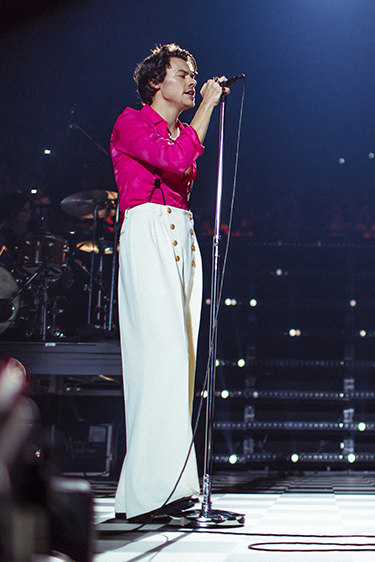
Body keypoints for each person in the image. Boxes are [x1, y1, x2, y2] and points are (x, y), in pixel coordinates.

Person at [109, 43, 228, 522]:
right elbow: (173, 161)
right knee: (156, 357)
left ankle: (173, 487)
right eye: (182, 73)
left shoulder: (182, 130)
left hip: (182, 231)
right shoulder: (131, 121)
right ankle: (143, 495)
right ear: (156, 81)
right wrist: (205, 110)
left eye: (193, 74)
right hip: (149, 229)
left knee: (180, 363)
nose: (191, 81)